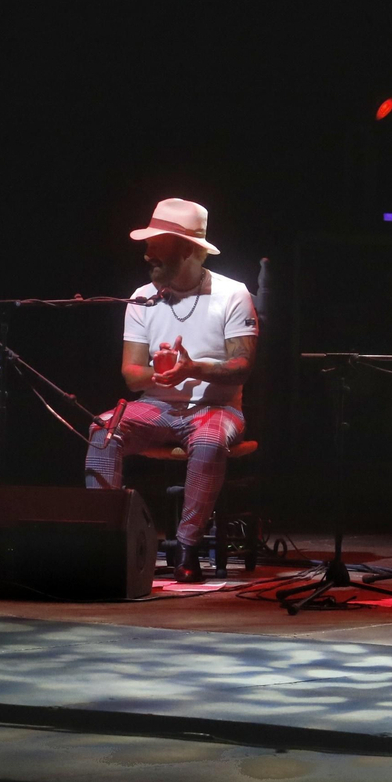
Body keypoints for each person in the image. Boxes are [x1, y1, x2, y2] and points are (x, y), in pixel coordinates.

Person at [84, 198, 258, 583]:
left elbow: (243, 366)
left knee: (210, 441)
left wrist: (193, 368)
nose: (147, 255)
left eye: (155, 246)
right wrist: (159, 375)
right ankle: (106, 540)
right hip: (157, 407)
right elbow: (131, 374)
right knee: (102, 429)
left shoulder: (232, 295)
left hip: (216, 407)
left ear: (188, 250)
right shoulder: (142, 297)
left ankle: (187, 546)